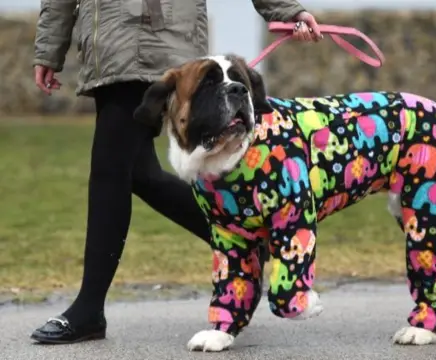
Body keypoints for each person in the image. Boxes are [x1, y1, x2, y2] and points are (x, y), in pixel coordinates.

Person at [30, 0, 322, 345]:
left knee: (110, 171)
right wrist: (50, 46)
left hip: (157, 33)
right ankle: (249, 248)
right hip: (108, 38)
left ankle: (88, 309)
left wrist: (285, 9)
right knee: (140, 172)